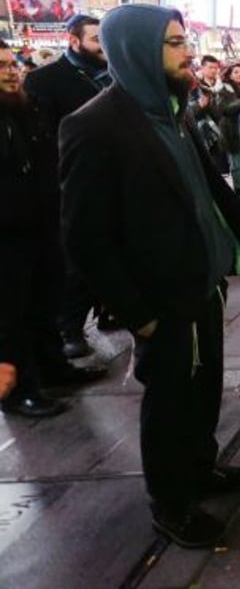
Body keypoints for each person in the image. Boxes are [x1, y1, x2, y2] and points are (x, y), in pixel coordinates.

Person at [58, 4, 240, 548]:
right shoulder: (94, 126)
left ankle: (201, 468)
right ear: (138, 51)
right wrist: (138, 316)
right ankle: (171, 505)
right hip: (161, 300)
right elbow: (85, 238)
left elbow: (206, 190)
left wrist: (237, 249)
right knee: (169, 401)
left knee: (204, 387)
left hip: (204, 285)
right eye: (175, 43)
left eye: (184, 40)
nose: (189, 51)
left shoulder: (176, 110)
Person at [1, 40, 105, 418]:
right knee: (11, 318)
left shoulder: (26, 109)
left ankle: (53, 369)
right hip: (7, 239)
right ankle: (19, 392)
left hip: (41, 226)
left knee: (43, 303)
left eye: (12, 65)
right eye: (1, 67)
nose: (11, 72)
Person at [23, 13, 108, 359]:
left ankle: (111, 310)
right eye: (95, 40)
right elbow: (42, 140)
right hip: (69, 186)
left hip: (110, 181)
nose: (102, 47)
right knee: (78, 261)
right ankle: (69, 327)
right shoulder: (46, 80)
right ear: (74, 41)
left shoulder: (109, 75)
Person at [217, 63, 240, 200]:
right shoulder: (223, 91)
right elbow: (225, 109)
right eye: (236, 72)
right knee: (237, 168)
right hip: (232, 136)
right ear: (230, 75)